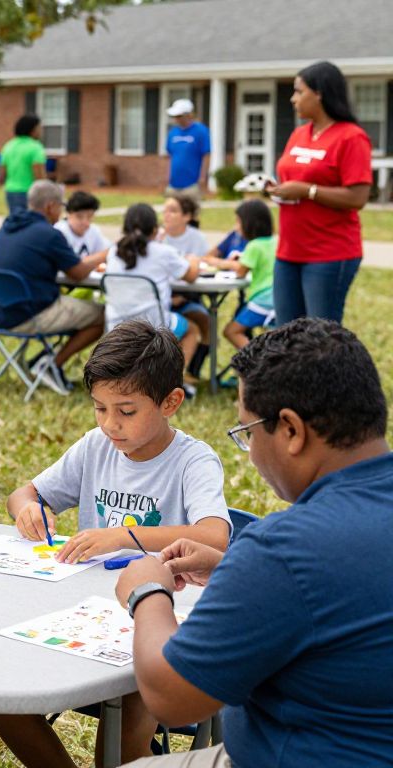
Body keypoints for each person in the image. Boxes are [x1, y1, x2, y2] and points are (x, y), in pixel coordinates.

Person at [113, 318, 393, 768]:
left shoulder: (285, 549)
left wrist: (147, 591)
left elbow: (170, 696)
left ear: (291, 430)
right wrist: (233, 570)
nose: (251, 453)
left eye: (247, 433)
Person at [0, 320, 231, 768]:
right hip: (83, 615)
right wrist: (28, 509)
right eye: (99, 408)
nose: (109, 424)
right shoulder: (96, 446)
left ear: (171, 402)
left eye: (126, 411)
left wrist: (122, 536)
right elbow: (25, 493)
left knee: (123, 734)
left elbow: (215, 535)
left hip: (157, 627)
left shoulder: (193, 460)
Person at [265, 61, 372, 325]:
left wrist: (307, 190)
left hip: (329, 253)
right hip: (289, 251)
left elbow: (357, 198)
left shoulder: (351, 137)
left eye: (299, 91)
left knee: (320, 337)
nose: (293, 99)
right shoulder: (299, 134)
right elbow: (293, 178)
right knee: (285, 334)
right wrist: (279, 190)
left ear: (320, 94)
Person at [0, 181, 105, 396]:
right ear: (51, 206)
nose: (60, 213)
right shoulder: (48, 234)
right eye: (60, 207)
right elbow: (78, 272)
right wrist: (106, 254)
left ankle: (43, 361)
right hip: (32, 314)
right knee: (103, 315)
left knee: (79, 308)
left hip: (0, 312)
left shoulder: (6, 227)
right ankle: (51, 364)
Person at [105, 204, 200, 397]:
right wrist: (194, 260)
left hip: (116, 326)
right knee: (192, 330)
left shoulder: (113, 251)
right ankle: (171, 383)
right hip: (153, 326)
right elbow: (190, 275)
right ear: (155, 229)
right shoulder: (162, 252)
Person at [202, 199, 276, 350]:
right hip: (278, 298)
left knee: (231, 331)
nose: (236, 227)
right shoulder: (276, 241)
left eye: (238, 222)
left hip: (262, 299)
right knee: (273, 338)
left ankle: (257, 360)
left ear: (250, 224)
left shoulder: (254, 246)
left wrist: (220, 263)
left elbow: (241, 271)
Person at [159, 194, 210, 378]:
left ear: (187, 216)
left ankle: (193, 372)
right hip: (161, 298)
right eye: (165, 210)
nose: (166, 215)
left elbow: (202, 269)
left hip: (189, 295)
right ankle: (172, 374)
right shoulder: (157, 238)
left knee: (207, 321)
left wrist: (183, 297)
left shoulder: (197, 239)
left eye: (173, 211)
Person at [0, 114, 46, 214]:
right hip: (30, 193)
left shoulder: (8, 146)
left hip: (10, 191)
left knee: (15, 220)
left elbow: (2, 173)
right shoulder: (36, 147)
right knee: (31, 221)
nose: (41, 132)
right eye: (39, 128)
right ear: (32, 130)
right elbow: (39, 176)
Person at [164, 99, 210, 200]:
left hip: (192, 184)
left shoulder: (201, 131)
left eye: (179, 116)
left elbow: (206, 155)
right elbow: (169, 156)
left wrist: (203, 178)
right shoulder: (173, 133)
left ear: (189, 115)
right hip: (173, 184)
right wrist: (167, 176)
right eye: (175, 116)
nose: (176, 119)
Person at [54, 191, 112, 258]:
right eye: (79, 216)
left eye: (89, 217)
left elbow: (109, 251)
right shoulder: (59, 232)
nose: (85, 222)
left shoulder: (93, 231)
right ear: (69, 214)